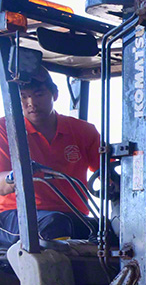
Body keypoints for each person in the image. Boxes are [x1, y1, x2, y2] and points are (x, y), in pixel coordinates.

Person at [0, 64, 100, 245]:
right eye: (23, 97)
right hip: (16, 215)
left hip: (72, 214)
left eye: (38, 95)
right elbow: (0, 183)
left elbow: (107, 171)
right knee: (54, 225)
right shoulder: (5, 130)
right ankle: (58, 273)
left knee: (113, 231)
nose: (31, 103)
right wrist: (15, 176)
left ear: (54, 94)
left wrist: (118, 182)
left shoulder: (83, 131)